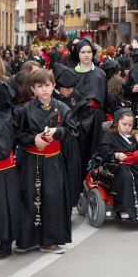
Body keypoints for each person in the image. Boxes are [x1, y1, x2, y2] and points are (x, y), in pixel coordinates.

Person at [15, 69, 79, 254]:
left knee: (53, 198)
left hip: (53, 161)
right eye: (39, 86)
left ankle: (50, 241)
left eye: (47, 85)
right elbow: (18, 134)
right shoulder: (25, 109)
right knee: (29, 196)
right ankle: (27, 240)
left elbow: (73, 131)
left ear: (53, 86)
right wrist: (32, 139)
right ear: (33, 89)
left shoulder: (63, 108)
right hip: (30, 160)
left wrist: (57, 132)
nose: (44, 89)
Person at [94, 108, 138, 224]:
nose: (127, 127)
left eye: (130, 125)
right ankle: (124, 209)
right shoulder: (110, 136)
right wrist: (116, 154)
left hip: (135, 164)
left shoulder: (135, 137)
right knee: (126, 177)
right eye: (124, 124)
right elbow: (102, 152)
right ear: (117, 122)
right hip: (117, 165)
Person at [0, 56, 20, 260]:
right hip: (1, 152)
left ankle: (5, 243)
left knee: (2, 202)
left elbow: (3, 124)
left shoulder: (0, 90)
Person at [72, 38, 107, 179]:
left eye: (89, 52)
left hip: (96, 120)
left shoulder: (100, 74)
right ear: (78, 54)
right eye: (83, 52)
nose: (86, 55)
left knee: (94, 150)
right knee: (79, 151)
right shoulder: (72, 73)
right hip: (77, 119)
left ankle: (92, 180)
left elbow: (104, 97)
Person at [52, 63, 82, 207]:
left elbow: (84, 111)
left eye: (72, 88)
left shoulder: (75, 95)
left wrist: (78, 123)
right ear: (58, 87)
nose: (70, 91)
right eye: (67, 88)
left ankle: (69, 205)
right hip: (56, 144)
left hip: (70, 143)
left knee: (71, 177)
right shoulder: (51, 98)